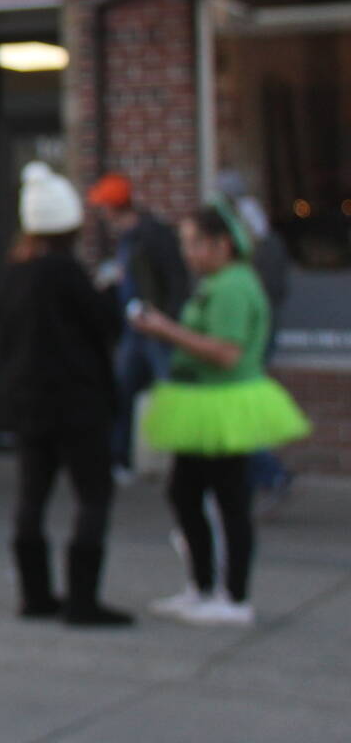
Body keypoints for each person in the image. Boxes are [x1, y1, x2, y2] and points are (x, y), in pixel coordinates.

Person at [132, 202, 311, 627]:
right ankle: (203, 586)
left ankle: (232, 595)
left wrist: (166, 330)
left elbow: (226, 353)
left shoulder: (232, 287)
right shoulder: (219, 282)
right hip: (205, 401)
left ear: (221, 244)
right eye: (186, 244)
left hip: (223, 402)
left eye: (195, 244)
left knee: (227, 499)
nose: (188, 253)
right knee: (187, 492)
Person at [0, 164, 132, 626]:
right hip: (78, 404)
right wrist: (110, 295)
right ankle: (82, 600)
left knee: (31, 496)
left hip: (29, 403)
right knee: (93, 496)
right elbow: (104, 328)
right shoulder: (68, 274)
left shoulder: (15, 275)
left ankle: (34, 594)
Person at [86, 173, 190, 482]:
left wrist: (167, 318)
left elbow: (174, 279)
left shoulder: (151, 235)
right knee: (122, 391)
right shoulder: (127, 239)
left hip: (156, 328)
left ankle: (188, 459)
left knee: (172, 391)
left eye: (103, 207)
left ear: (113, 206)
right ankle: (120, 458)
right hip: (134, 329)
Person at [216, 170, 296, 513]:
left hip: (248, 338)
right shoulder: (257, 234)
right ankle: (258, 477)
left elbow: (268, 290)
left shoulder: (250, 239)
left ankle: (268, 474)